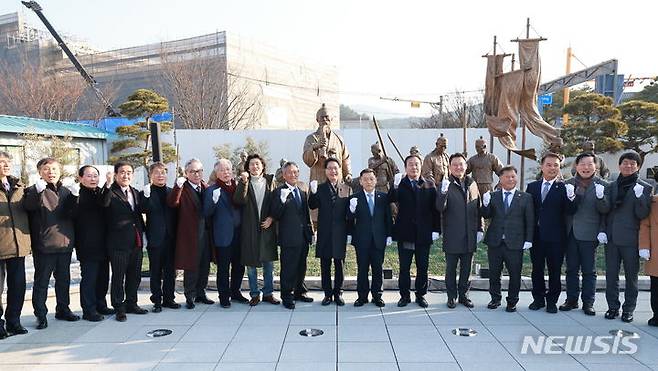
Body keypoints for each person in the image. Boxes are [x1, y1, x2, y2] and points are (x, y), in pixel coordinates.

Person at [24, 157, 78, 329]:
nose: (51, 172)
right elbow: (29, 206)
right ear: (40, 172)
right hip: (44, 245)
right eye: (46, 169)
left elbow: (72, 214)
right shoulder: (33, 190)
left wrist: (75, 196)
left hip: (64, 243)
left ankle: (63, 309)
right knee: (42, 282)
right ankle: (41, 314)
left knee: (64, 279)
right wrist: (37, 192)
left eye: (54, 169)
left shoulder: (66, 192)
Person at [604, 152, 653, 323]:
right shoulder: (611, 186)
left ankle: (629, 309)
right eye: (625, 163)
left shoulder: (645, 188)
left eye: (633, 164)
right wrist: (603, 230)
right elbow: (605, 211)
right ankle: (612, 307)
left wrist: (640, 198)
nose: (629, 166)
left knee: (631, 277)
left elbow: (642, 214)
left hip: (631, 240)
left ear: (638, 167)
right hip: (611, 238)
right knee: (611, 276)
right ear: (619, 165)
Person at [560, 153, 610, 316]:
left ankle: (588, 302)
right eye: (582, 164)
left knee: (589, 270)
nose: (586, 168)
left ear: (596, 166)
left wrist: (601, 198)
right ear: (576, 166)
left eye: (589, 164)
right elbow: (562, 211)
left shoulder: (603, 185)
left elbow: (605, 211)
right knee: (571, 269)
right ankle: (571, 300)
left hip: (590, 233)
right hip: (570, 232)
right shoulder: (567, 183)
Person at [525, 153, 575, 314]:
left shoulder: (564, 187)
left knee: (554, 270)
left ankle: (552, 301)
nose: (552, 168)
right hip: (537, 237)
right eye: (549, 165)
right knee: (537, 269)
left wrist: (571, 197)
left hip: (556, 238)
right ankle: (538, 299)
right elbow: (528, 212)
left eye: (556, 165)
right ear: (542, 166)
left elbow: (570, 211)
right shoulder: (532, 187)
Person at [480, 165, 534, 312]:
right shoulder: (494, 196)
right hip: (495, 241)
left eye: (513, 176)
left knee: (515, 273)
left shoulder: (525, 198)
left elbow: (530, 220)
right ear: (500, 179)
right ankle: (495, 299)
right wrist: (485, 204)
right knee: (494, 273)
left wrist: (529, 239)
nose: (510, 179)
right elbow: (486, 215)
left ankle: (512, 301)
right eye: (507, 176)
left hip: (515, 242)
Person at [388, 155, 440, 308]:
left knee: (422, 266)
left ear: (421, 166)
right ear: (406, 167)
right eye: (410, 164)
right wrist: (395, 186)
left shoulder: (429, 184)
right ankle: (404, 296)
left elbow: (435, 210)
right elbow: (391, 199)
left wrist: (436, 229)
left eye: (416, 164)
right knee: (404, 266)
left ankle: (421, 295)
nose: (414, 167)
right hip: (406, 233)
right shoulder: (401, 183)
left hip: (423, 233)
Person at [436, 153, 483, 309]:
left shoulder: (472, 183)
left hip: (469, 234)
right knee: (451, 269)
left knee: (466, 269)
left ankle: (464, 295)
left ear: (466, 166)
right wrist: (443, 192)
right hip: (452, 234)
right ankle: (451, 297)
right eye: (455, 164)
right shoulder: (446, 184)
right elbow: (439, 207)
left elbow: (478, 208)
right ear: (450, 167)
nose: (458, 167)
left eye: (461, 164)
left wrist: (480, 229)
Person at [102, 162, 148, 321]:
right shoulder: (110, 192)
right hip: (118, 242)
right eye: (122, 172)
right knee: (118, 276)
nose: (126, 175)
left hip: (135, 240)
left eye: (129, 172)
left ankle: (132, 303)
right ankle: (118, 307)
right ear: (115, 175)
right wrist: (107, 187)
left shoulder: (135, 192)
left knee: (134, 275)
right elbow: (104, 204)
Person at [233, 154, 280, 306]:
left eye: (257, 164)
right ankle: (254, 294)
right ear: (248, 167)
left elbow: (276, 202)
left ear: (262, 166)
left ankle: (268, 293)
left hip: (267, 227)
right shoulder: (243, 182)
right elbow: (239, 200)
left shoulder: (270, 181)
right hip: (250, 228)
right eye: (252, 164)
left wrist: (272, 218)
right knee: (251, 265)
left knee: (268, 265)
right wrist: (244, 181)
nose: (255, 167)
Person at [168, 158, 214, 309]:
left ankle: (201, 292)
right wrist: (177, 187)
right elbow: (172, 203)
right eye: (193, 171)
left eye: (199, 171)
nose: (196, 174)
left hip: (205, 233)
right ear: (186, 173)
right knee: (191, 266)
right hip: (189, 234)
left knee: (204, 265)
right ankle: (190, 295)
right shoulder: (183, 187)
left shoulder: (206, 187)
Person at [72, 165, 114, 322]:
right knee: (90, 278)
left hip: (104, 243)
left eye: (95, 176)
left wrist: (107, 186)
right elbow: (101, 204)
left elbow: (105, 203)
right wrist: (107, 186)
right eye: (89, 176)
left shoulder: (98, 192)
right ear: (81, 178)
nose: (93, 179)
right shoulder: (78, 194)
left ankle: (101, 304)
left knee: (103, 277)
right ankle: (88, 310)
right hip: (87, 244)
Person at [203, 159, 248, 308]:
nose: (226, 172)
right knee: (223, 268)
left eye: (228, 169)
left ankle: (235, 292)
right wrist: (213, 201)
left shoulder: (239, 187)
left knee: (239, 266)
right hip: (223, 235)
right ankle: (224, 296)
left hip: (239, 234)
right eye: (222, 170)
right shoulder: (211, 190)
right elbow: (206, 213)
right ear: (216, 173)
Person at [308, 158, 352, 306]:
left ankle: (338, 293)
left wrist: (350, 232)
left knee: (339, 264)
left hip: (340, 232)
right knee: (325, 264)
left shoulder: (346, 188)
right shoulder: (320, 188)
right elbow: (312, 206)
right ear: (326, 171)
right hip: (325, 232)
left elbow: (350, 214)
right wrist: (312, 193)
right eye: (330, 168)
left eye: (335, 168)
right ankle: (327, 294)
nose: (333, 171)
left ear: (339, 170)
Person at [271, 162, 314, 310]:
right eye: (289, 172)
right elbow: (275, 214)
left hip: (303, 237)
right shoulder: (278, 192)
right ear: (284, 175)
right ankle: (287, 296)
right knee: (288, 268)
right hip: (288, 237)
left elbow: (305, 215)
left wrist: (310, 232)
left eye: (295, 172)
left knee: (301, 266)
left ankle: (299, 292)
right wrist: (282, 201)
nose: (293, 175)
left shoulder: (302, 191)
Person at [348, 168, 393, 307]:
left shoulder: (383, 197)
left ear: (376, 180)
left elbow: (388, 218)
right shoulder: (354, 198)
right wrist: (352, 210)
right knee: (362, 269)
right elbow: (349, 220)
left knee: (377, 268)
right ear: (360, 181)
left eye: (371, 179)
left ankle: (377, 296)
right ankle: (362, 296)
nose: (368, 182)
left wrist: (389, 235)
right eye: (365, 179)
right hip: (361, 239)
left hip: (379, 239)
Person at [140, 162, 180, 312]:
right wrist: (146, 196)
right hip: (155, 238)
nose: (160, 175)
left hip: (171, 238)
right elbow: (142, 209)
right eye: (156, 173)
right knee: (155, 271)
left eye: (163, 172)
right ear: (151, 175)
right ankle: (156, 300)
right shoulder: (146, 191)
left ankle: (169, 298)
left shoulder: (172, 192)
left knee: (170, 271)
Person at [0, 151, 31, 337]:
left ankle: (14, 321)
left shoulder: (19, 186)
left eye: (7, 161)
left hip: (18, 245)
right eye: (1, 162)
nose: (5, 165)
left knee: (18, 286)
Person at [303, 103, 352, 184]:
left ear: (331, 119)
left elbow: (345, 158)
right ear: (317, 120)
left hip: (337, 180)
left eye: (327, 117)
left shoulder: (338, 139)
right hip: (319, 179)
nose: (325, 120)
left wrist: (348, 173)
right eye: (322, 117)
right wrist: (315, 146)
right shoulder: (311, 138)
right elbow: (308, 161)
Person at [639, 194, 658, 327]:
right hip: (656, 251)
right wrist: (644, 246)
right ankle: (656, 315)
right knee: (656, 287)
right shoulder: (653, 201)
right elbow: (645, 225)